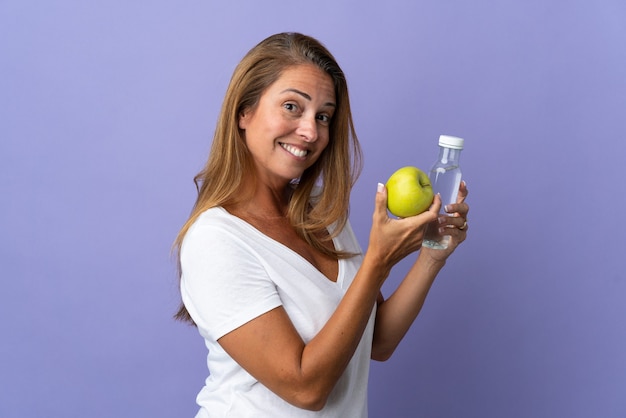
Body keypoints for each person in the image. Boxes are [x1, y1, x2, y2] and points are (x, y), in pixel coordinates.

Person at [174, 32, 469, 417]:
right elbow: (306, 388)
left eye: (323, 116)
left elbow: (376, 341)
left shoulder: (320, 213)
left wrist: (432, 255)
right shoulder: (215, 240)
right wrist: (379, 262)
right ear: (244, 112)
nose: (311, 132)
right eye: (292, 107)